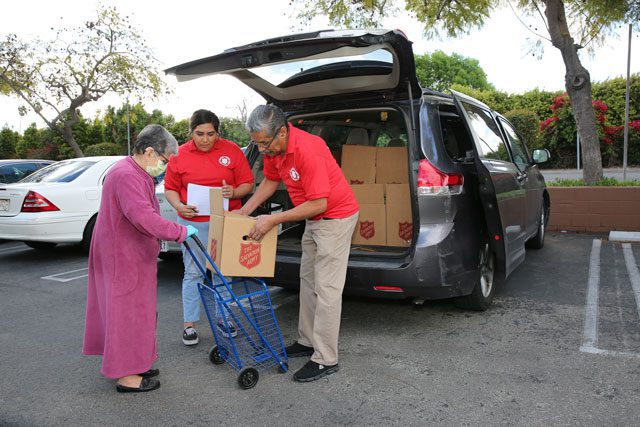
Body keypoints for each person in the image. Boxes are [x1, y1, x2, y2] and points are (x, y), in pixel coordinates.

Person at [237, 105, 359, 382]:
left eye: (264, 144)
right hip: (314, 218)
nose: (262, 150)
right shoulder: (273, 148)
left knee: (327, 288)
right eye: (257, 144)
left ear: (282, 132)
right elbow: (270, 180)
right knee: (308, 280)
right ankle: (306, 341)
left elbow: (319, 203)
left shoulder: (308, 150)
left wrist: (273, 219)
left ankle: (326, 358)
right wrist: (245, 211)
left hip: (335, 218)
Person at [82, 124, 198, 393]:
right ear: (149, 152)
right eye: (165, 160)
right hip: (121, 257)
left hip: (130, 253)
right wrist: (179, 231)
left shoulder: (136, 172)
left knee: (139, 313)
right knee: (126, 314)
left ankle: (137, 362)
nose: (166, 167)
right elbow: (143, 217)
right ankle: (126, 375)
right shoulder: (126, 175)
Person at [163, 109, 254, 346]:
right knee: (193, 272)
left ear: (218, 133)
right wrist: (179, 206)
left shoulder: (232, 150)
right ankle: (189, 324)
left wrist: (234, 192)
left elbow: (248, 183)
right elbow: (170, 188)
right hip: (192, 223)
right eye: (199, 133)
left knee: (223, 273)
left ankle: (225, 319)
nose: (205, 139)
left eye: (210, 134)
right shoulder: (179, 154)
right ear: (191, 132)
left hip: (225, 222)